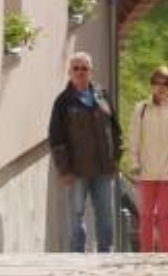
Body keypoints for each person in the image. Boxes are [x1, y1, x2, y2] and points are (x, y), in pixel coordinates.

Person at [48, 51, 122, 252]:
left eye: (84, 68)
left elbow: (115, 130)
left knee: (106, 214)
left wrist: (116, 159)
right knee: (76, 214)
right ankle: (76, 256)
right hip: (76, 171)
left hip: (103, 168)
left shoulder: (102, 94)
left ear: (91, 71)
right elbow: (56, 138)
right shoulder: (62, 102)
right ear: (69, 72)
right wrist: (64, 170)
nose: (80, 72)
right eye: (76, 68)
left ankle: (107, 254)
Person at [127, 64, 168, 253]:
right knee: (146, 214)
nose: (161, 87)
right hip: (146, 169)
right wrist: (134, 162)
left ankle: (166, 252)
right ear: (152, 84)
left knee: (164, 213)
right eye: (157, 82)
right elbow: (134, 138)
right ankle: (146, 253)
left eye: (165, 83)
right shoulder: (141, 109)